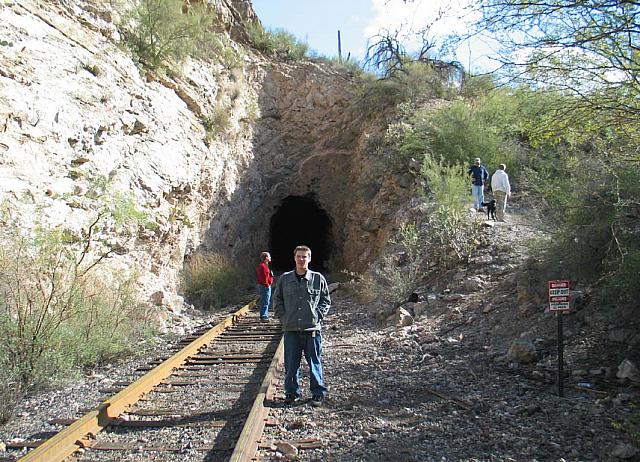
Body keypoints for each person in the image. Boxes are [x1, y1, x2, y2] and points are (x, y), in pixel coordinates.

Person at [273, 245, 331, 407]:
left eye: (304, 256)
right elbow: (277, 301)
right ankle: (291, 393)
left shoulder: (318, 279)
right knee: (291, 364)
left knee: (314, 362)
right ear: (294, 258)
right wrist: (284, 319)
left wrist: (317, 316)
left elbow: (326, 301)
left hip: (312, 330)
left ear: (309, 258)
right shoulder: (285, 279)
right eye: (299, 256)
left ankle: (318, 393)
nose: (301, 259)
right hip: (291, 329)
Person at [256, 251, 274, 321]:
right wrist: (267, 284)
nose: (270, 258)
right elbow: (263, 277)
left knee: (266, 301)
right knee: (265, 301)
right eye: (269, 256)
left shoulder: (264, 265)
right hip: (265, 286)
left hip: (265, 286)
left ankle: (265, 314)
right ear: (266, 258)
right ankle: (263, 316)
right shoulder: (263, 266)